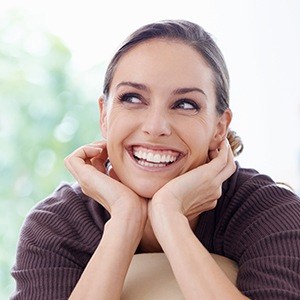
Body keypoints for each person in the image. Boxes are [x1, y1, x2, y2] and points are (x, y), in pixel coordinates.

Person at [11, 19, 300, 299]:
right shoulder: (56, 226)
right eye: (132, 98)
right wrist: (125, 220)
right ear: (104, 115)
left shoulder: (271, 212)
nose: (155, 126)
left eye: (185, 104)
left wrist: (169, 217)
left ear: (219, 128)